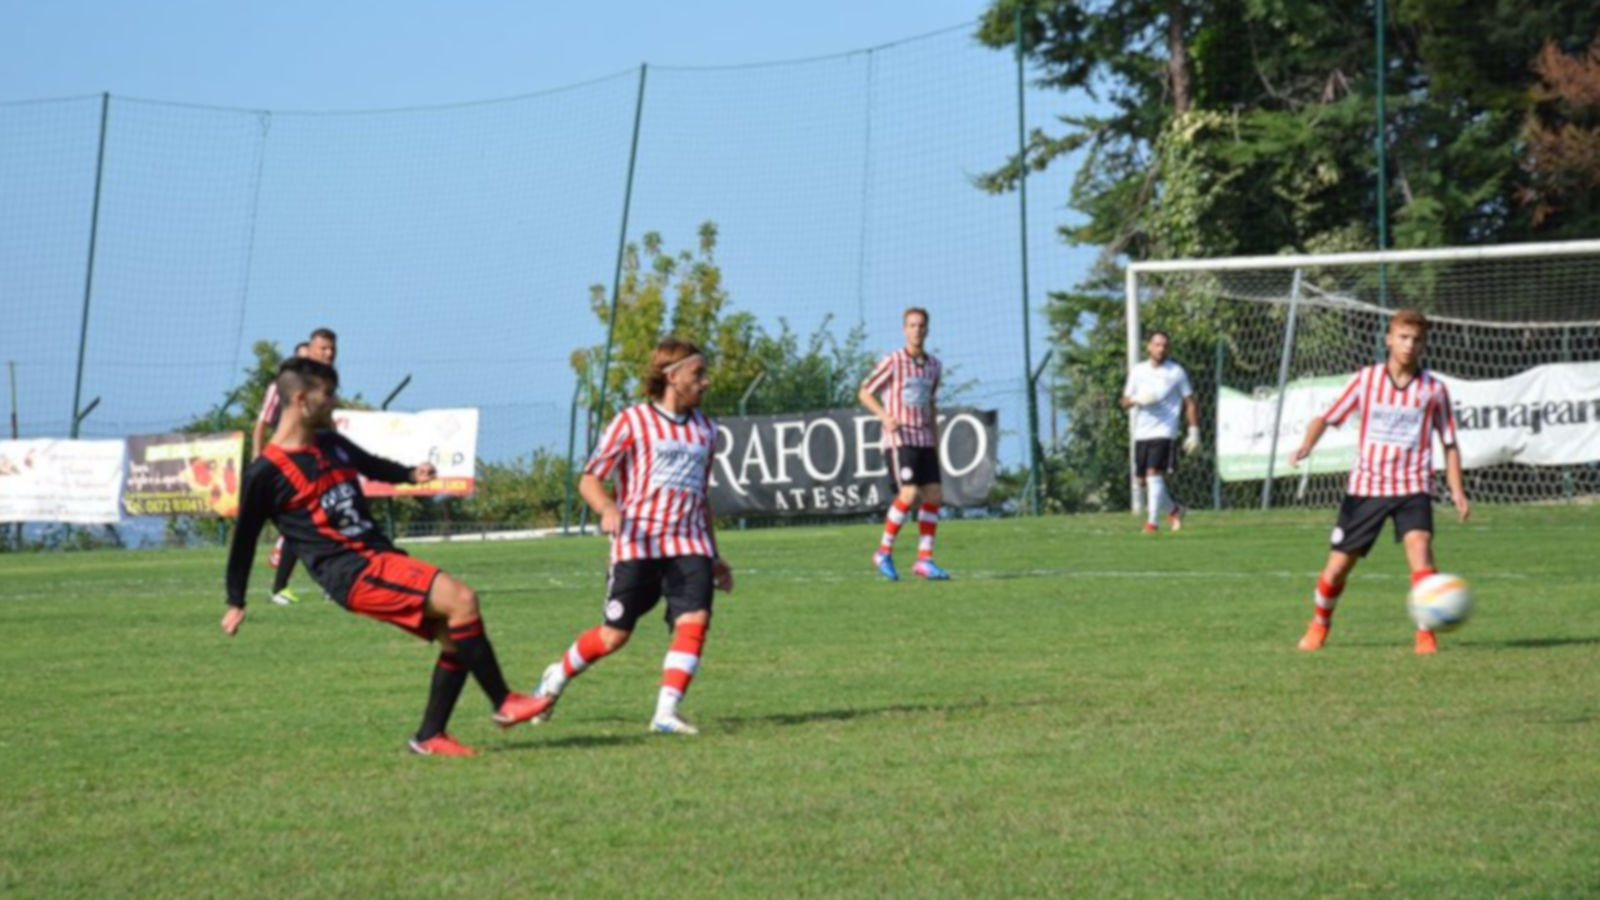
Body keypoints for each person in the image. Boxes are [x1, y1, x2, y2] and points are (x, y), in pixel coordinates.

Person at [223, 357, 548, 755]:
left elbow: (370, 465)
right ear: (301, 399)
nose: (335, 402)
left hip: (378, 556)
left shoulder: (329, 443)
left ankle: (430, 736)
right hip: (351, 571)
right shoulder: (265, 472)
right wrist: (235, 600)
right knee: (462, 599)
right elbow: (243, 539)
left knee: (456, 637)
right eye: (328, 394)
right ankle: (503, 702)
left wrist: (410, 474)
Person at [529, 338, 734, 735]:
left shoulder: (707, 430)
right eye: (698, 374)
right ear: (672, 377)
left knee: (694, 620)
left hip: (688, 542)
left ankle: (665, 713)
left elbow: (700, 495)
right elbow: (590, 479)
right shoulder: (632, 422)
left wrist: (714, 554)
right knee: (613, 636)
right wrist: (608, 508)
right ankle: (555, 678)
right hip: (637, 543)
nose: (706, 382)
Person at [1290, 308, 1470, 655]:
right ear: (1389, 339)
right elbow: (1326, 417)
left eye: (1416, 339)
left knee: (1420, 548)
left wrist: (1458, 491)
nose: (1409, 345)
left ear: (1424, 344)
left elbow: (1449, 443)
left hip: (1412, 486)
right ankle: (1319, 624)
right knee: (1338, 567)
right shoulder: (1365, 380)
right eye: (1403, 337)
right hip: (1366, 488)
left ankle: (1425, 634)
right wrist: (1306, 445)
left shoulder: (1434, 389)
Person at [859, 307, 949, 581]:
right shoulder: (893, 362)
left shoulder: (934, 366)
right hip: (900, 439)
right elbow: (864, 391)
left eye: (921, 326)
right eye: (912, 325)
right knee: (908, 494)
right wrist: (885, 416)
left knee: (933, 495)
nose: (917, 330)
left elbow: (930, 402)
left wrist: (936, 438)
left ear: (927, 330)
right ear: (904, 330)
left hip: (923, 438)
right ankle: (883, 551)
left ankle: (924, 559)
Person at [253, 330, 339, 605]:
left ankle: (321, 582)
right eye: (320, 350)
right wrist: (257, 457)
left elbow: (326, 422)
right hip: (290, 461)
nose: (327, 355)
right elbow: (262, 424)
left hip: (315, 459)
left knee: (324, 518)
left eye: (330, 350)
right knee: (305, 520)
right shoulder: (280, 387)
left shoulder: (324, 385)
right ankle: (284, 585)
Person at [1120, 330, 1201, 533]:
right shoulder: (1138, 371)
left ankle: (1152, 523)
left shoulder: (1176, 372)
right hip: (1142, 432)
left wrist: (1193, 431)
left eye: (1164, 345)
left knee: (1153, 473)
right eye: (1157, 345)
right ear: (1149, 347)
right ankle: (1174, 509)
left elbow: (1189, 401)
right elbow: (1124, 402)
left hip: (1165, 431)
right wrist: (1138, 399)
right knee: (1142, 481)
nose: (1161, 349)